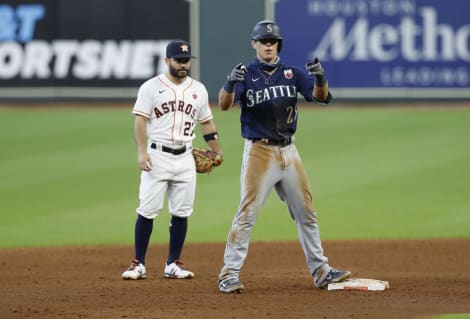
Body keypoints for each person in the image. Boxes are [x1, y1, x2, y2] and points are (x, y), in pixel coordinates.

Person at [217, 20, 351, 293]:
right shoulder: (247, 74)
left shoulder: (291, 73)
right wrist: (230, 83)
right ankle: (228, 273)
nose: (268, 45)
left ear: (278, 45)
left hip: (289, 151)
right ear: (254, 44)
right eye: (263, 41)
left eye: (272, 41)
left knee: (307, 213)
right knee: (247, 214)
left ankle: (321, 271)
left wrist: (321, 78)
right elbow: (224, 104)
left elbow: (321, 97)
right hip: (259, 151)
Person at [122, 39, 223, 280]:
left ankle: (173, 264)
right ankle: (138, 264)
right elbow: (140, 120)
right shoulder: (151, 87)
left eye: (186, 60)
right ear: (167, 60)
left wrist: (217, 150)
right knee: (147, 210)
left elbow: (206, 122)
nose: (183, 64)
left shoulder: (198, 89)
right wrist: (142, 152)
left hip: (186, 157)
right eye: (178, 60)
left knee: (182, 211)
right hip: (156, 155)